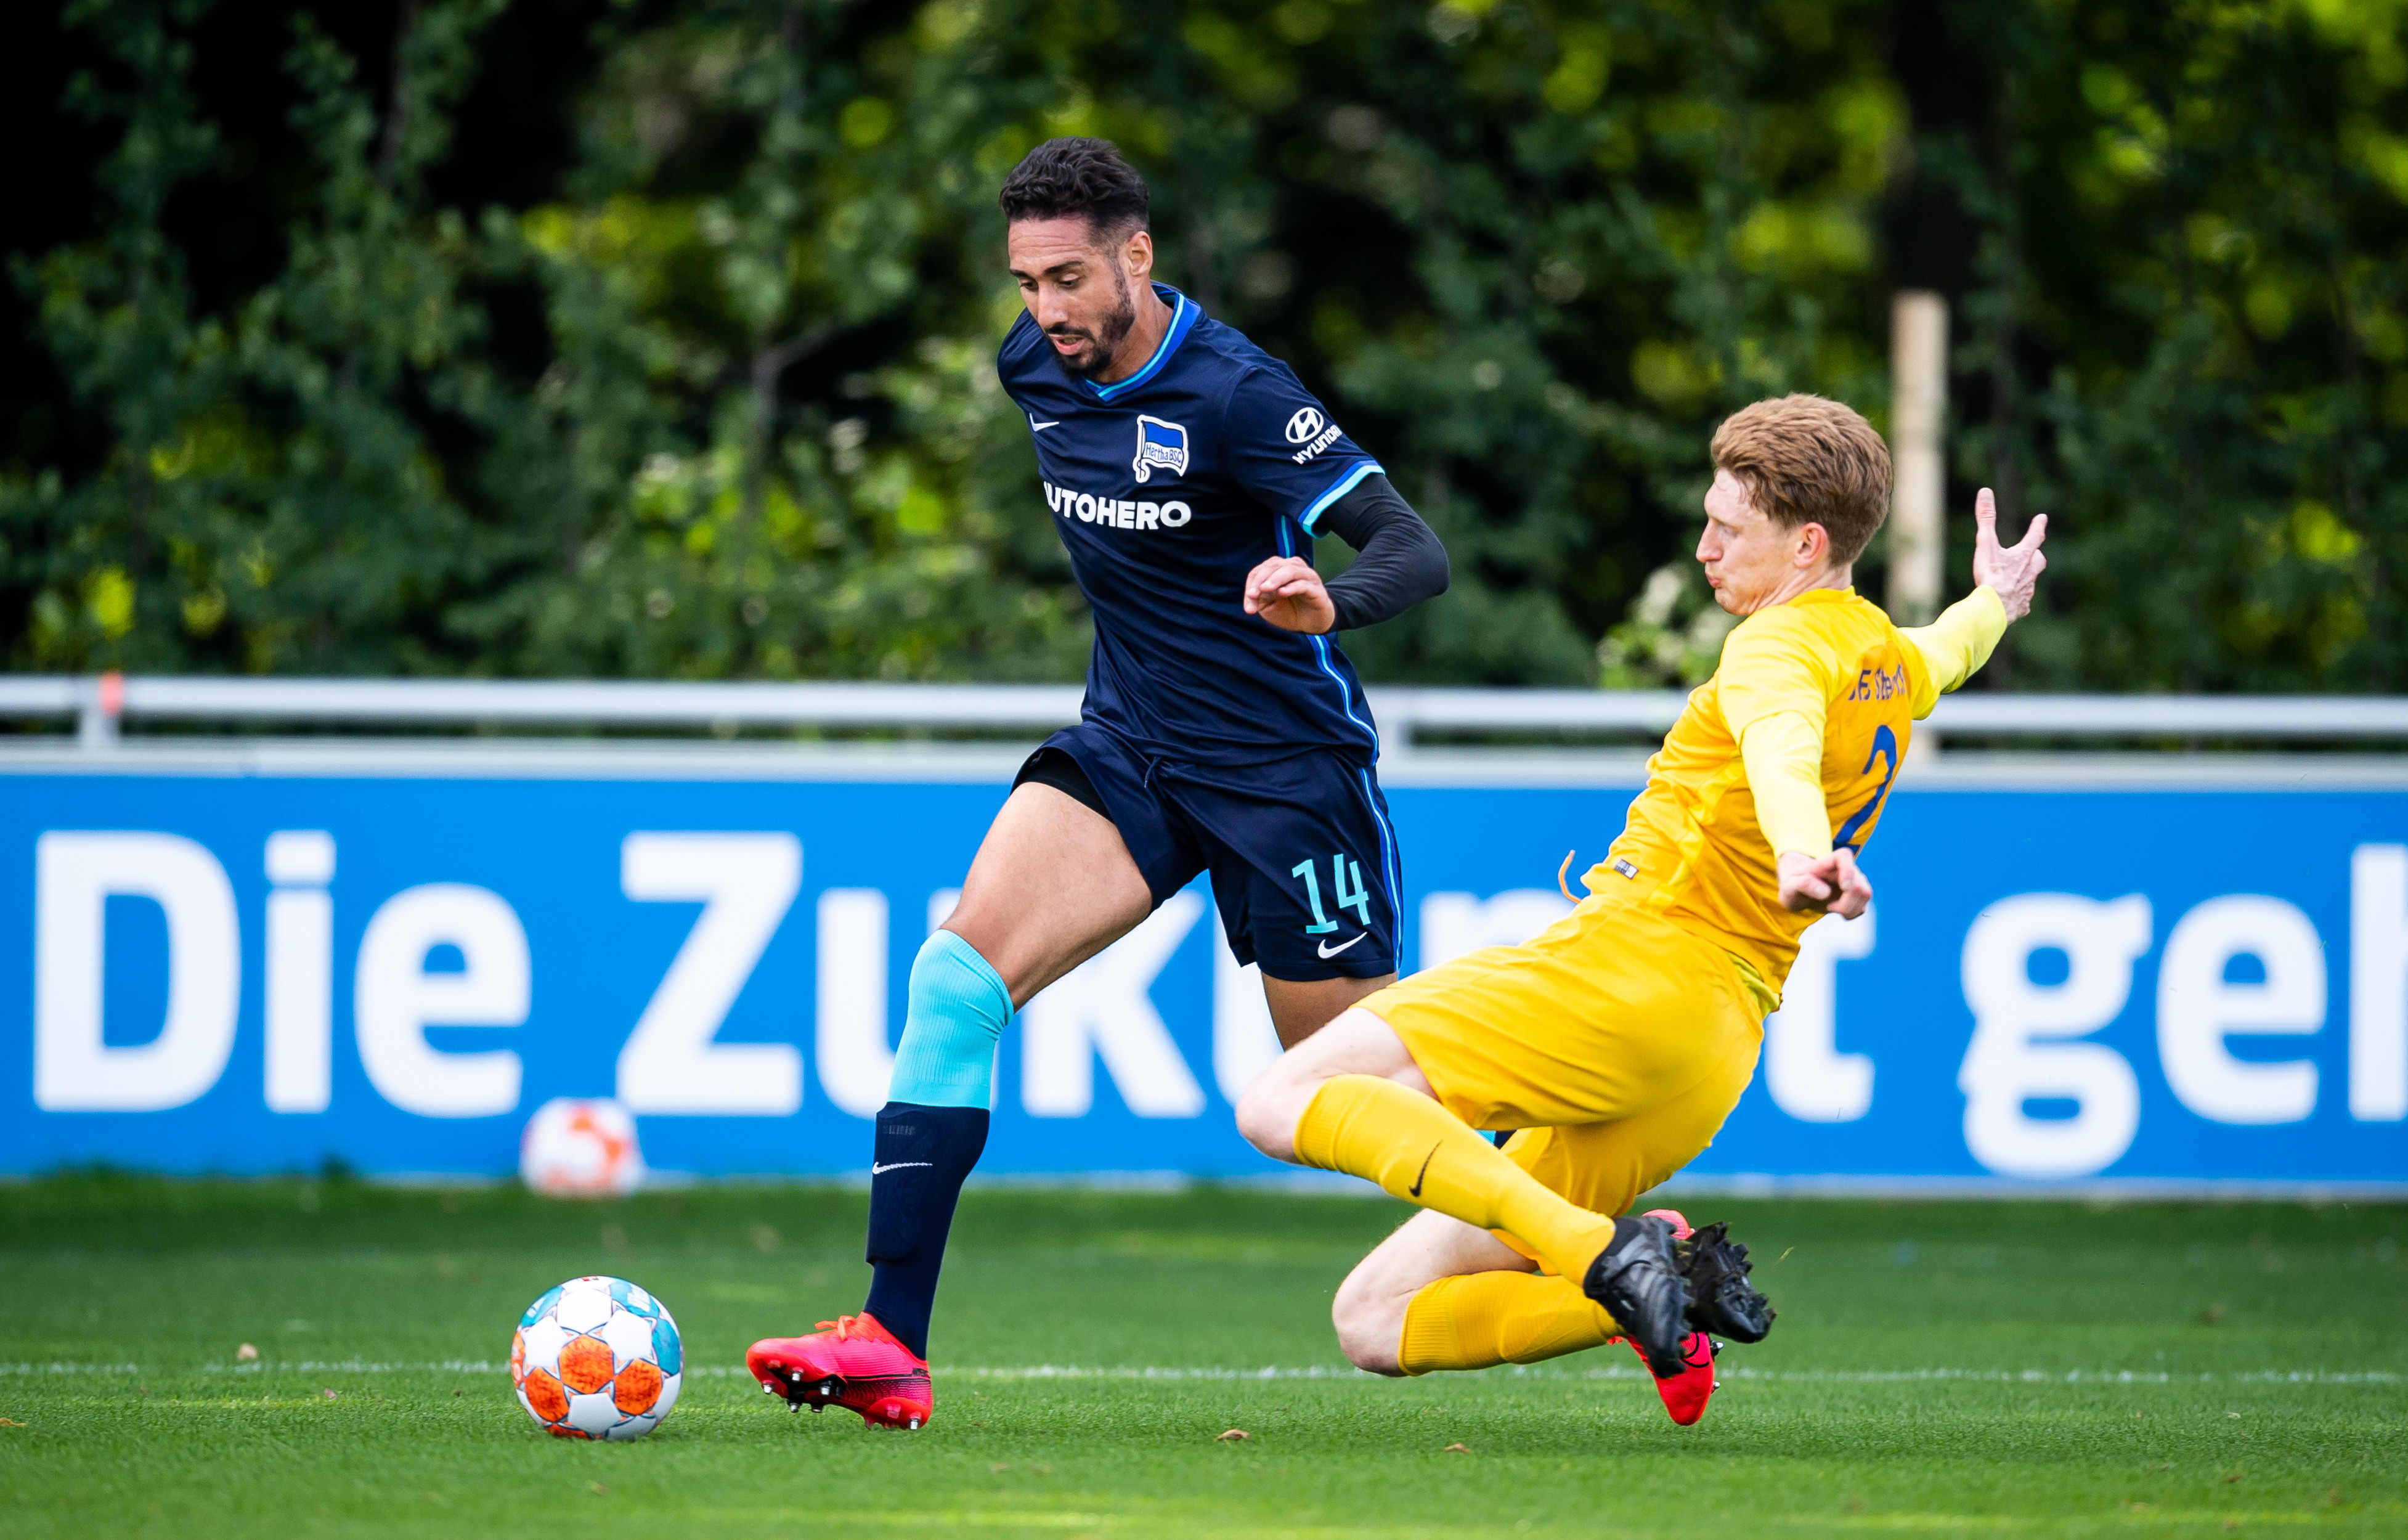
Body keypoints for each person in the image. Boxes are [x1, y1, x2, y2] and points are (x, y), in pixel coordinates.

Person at [745, 137, 1451, 1430]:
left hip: (1283, 771)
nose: (1045, 312)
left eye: (1068, 277)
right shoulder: (1036, 368)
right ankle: (889, 1342)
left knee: (1351, 1096)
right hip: (1129, 746)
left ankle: (1611, 1239)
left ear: (1138, 253)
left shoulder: (1240, 393)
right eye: (1025, 283)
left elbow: (1415, 548)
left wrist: (1325, 601)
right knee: (955, 980)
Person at [1230, 393, 2049, 1426]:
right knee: (1375, 1319)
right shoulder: (1880, 653)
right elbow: (1948, 655)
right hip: (1710, 1054)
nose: (1705, 547)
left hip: (1636, 973)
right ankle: (1656, 1280)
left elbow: (1781, 747)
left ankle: (1600, 1249)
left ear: (1805, 544)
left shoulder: (1775, 650)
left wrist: (1804, 851)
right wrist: (1997, 602)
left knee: (1274, 1104)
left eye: (1728, 529)